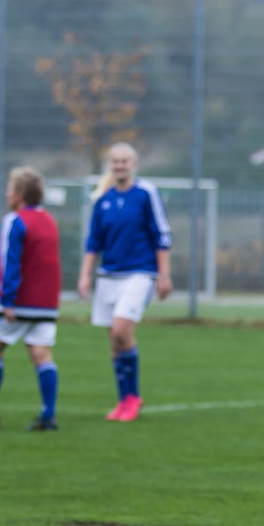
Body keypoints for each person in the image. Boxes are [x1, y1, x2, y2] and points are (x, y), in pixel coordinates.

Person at [0, 166, 62, 431]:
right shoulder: (49, 220)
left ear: (19, 194)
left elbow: (10, 262)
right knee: (41, 353)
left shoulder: (15, 220)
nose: (6, 194)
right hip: (46, 303)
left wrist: (6, 300)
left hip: (19, 301)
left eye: (9, 189)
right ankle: (48, 415)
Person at [77, 142, 173, 422]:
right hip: (108, 276)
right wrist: (85, 275)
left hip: (139, 273)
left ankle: (133, 396)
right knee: (114, 340)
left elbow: (162, 235)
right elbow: (93, 241)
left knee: (121, 330)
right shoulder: (103, 198)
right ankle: (124, 400)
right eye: (115, 161)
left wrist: (163, 275)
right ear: (110, 164)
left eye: (125, 161)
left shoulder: (145, 194)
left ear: (134, 164)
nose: (119, 166)